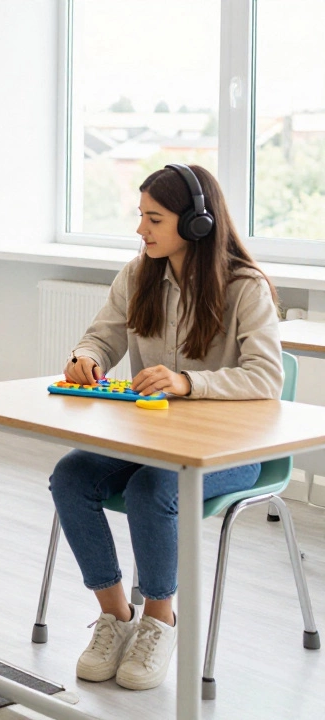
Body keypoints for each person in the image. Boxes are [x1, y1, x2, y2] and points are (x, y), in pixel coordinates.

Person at [51, 164, 282, 691]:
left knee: (152, 488)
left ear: (197, 223)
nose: (141, 230)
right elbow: (101, 338)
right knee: (71, 476)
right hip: (148, 437)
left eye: (153, 219)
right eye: (141, 217)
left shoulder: (245, 288)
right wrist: (85, 358)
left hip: (228, 449)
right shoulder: (137, 275)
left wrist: (187, 383)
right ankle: (116, 617)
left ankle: (160, 619)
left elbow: (266, 376)